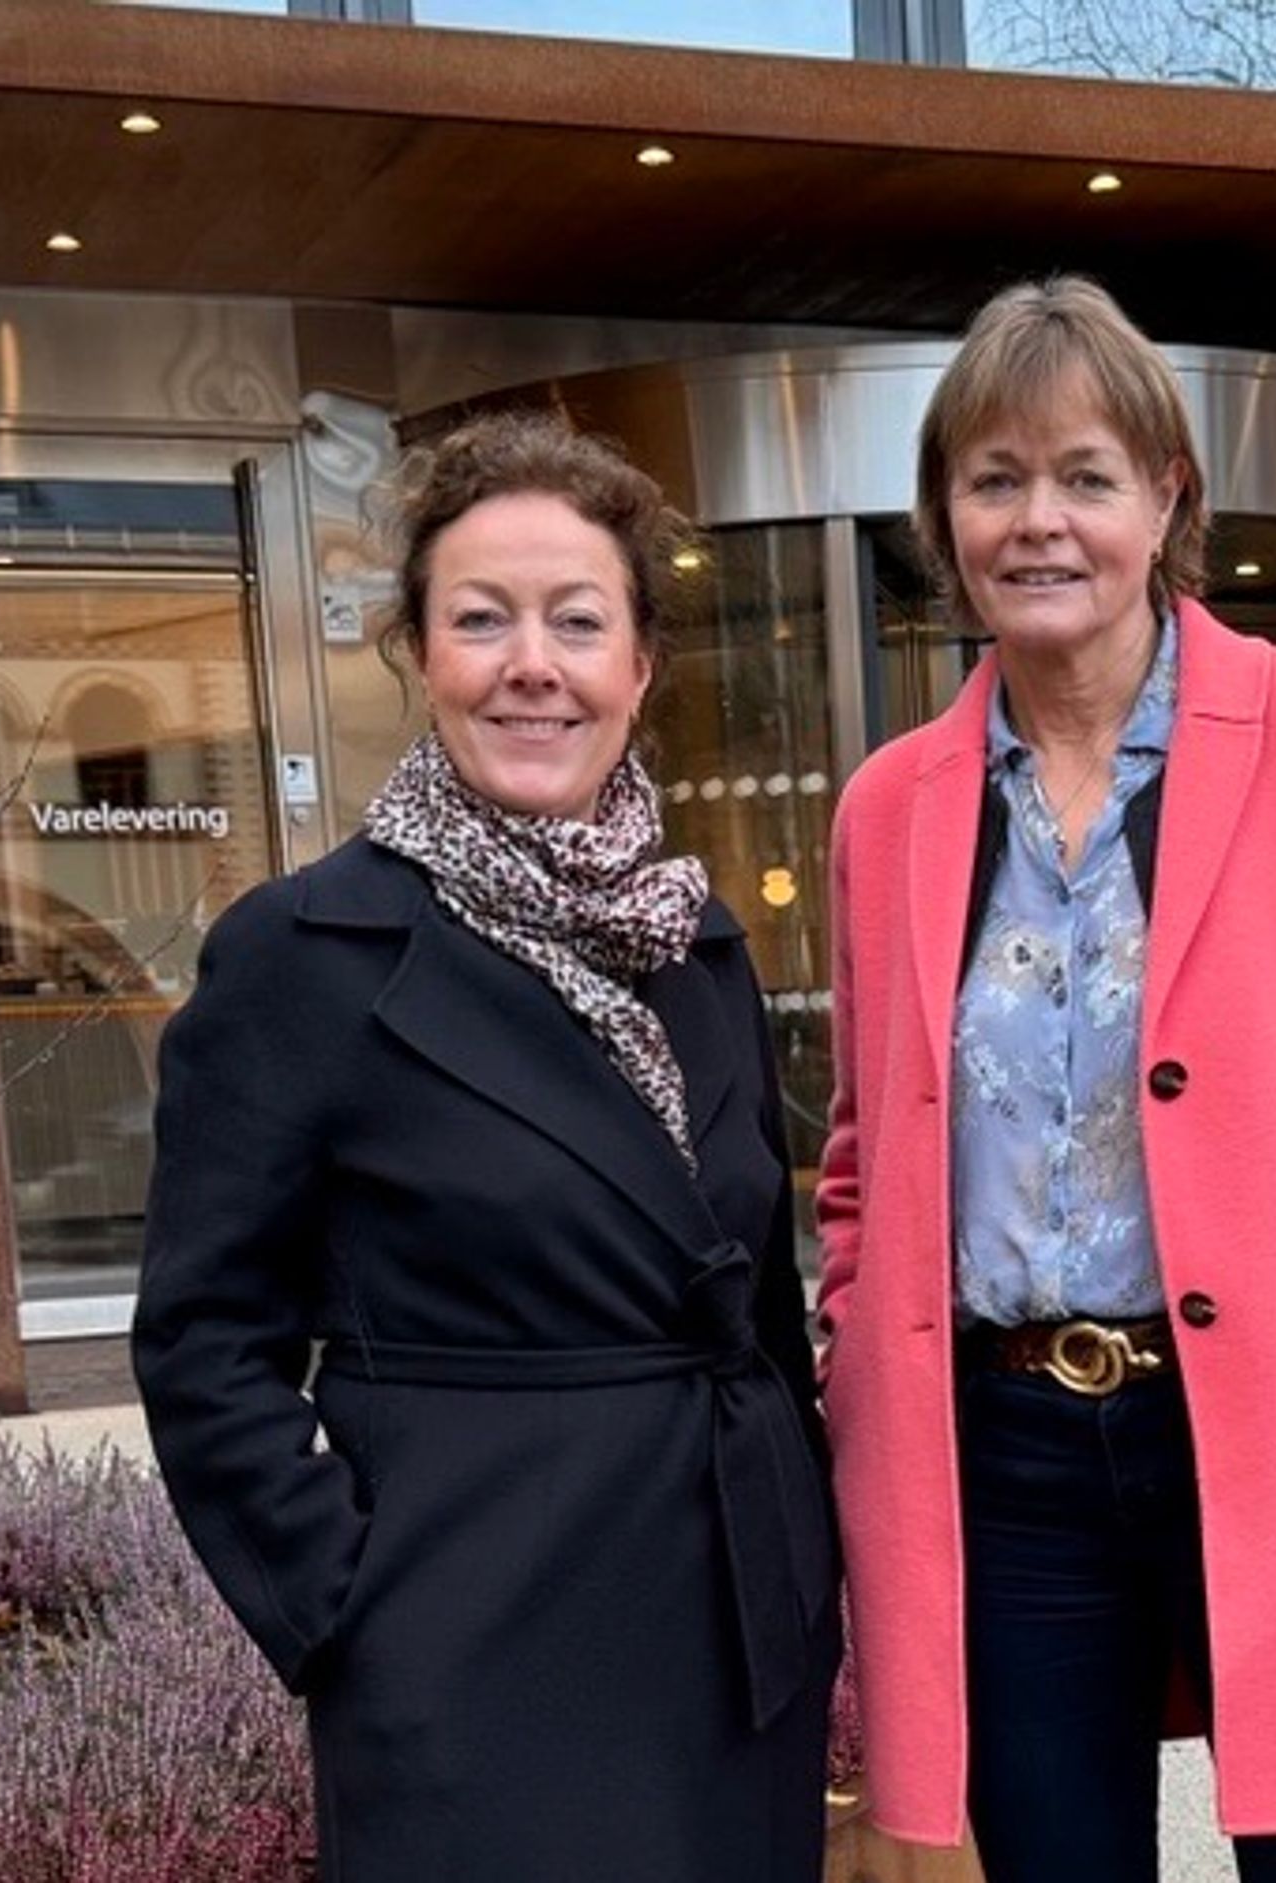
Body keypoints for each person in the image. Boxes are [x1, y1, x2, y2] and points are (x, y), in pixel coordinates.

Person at [813, 276, 1276, 1883]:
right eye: (995, 480)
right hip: (1002, 1460)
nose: (1039, 521)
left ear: (1165, 500)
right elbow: (863, 1151)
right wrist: (860, 1344)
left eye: (1086, 476)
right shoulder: (890, 807)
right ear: (945, 516)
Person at [134, 411, 839, 1883]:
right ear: (417, 652)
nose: (534, 663)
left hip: (734, 1631)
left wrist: (808, 1553)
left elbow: (759, 1302)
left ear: (639, 666)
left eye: (577, 621)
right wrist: (348, 1606)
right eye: (481, 620)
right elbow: (204, 1339)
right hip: (468, 1639)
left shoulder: (696, 942)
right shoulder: (301, 956)